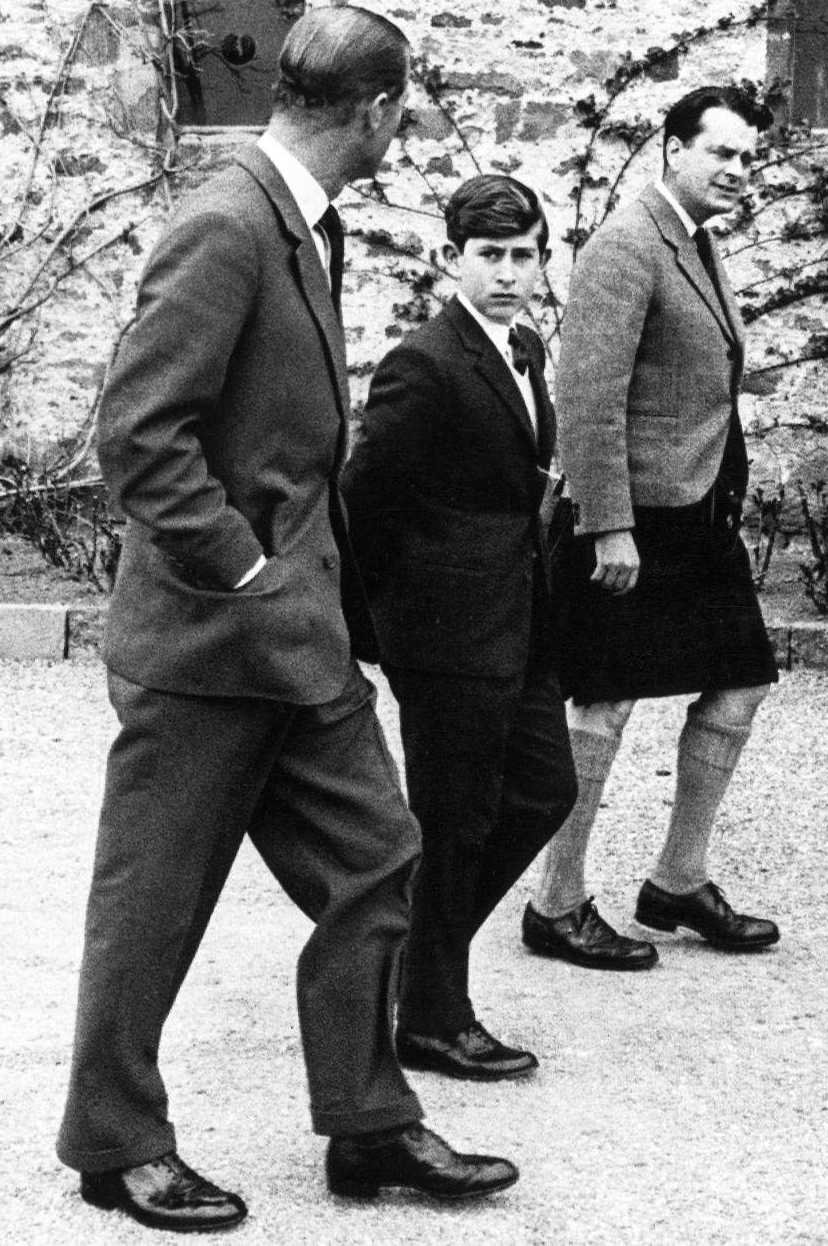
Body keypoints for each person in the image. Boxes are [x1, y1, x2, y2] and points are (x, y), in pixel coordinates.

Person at [56, 7, 519, 1235]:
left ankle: (367, 1126)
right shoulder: (223, 225)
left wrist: (300, 593)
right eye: (400, 114)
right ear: (374, 111)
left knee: (380, 859)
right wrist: (249, 572)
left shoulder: (300, 220)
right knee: (151, 904)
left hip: (295, 640)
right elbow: (139, 441)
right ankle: (115, 1143)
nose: (398, 130)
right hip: (210, 646)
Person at [523, 86, 781, 972]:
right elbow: (588, 398)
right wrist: (608, 528)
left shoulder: (696, 241)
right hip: (636, 523)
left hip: (697, 515)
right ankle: (555, 902)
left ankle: (678, 879)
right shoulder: (627, 243)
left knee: (740, 683)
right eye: (722, 153)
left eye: (748, 158)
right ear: (672, 149)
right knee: (603, 700)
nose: (737, 172)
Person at [342, 176, 577, 1081]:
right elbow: (363, 502)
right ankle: (435, 1015)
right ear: (453, 260)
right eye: (491, 256)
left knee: (541, 790)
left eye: (525, 256)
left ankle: (408, 962)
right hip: (447, 638)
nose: (511, 273)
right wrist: (390, 625)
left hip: (519, 625)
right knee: (454, 821)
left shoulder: (523, 347)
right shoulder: (426, 362)